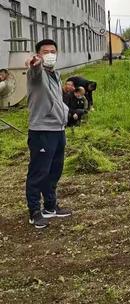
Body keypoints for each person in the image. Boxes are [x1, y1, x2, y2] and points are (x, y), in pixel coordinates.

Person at [25, 39, 72, 229]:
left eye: (53, 51)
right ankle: (34, 212)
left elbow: (56, 99)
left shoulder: (56, 74)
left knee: (54, 171)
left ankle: (51, 207)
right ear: (39, 54)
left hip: (58, 129)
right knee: (38, 172)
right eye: (45, 52)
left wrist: (66, 114)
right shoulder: (37, 74)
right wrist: (35, 65)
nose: (50, 54)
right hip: (42, 130)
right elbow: (34, 70)